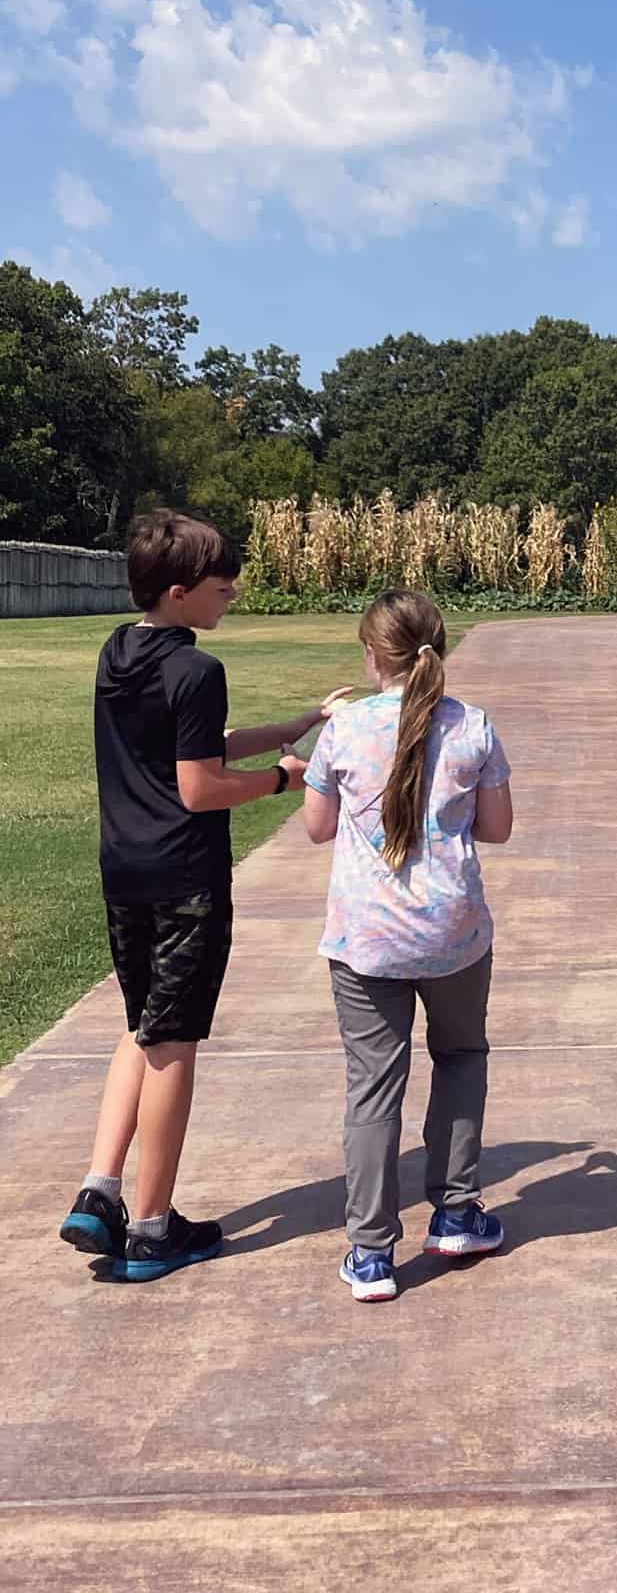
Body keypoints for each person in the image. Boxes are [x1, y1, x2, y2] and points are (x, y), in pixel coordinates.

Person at [59, 509, 351, 1283]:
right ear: (183, 593)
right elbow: (200, 785)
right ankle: (154, 1228)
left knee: (141, 1026)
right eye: (223, 588)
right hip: (184, 878)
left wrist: (295, 725)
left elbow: (191, 744)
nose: (233, 596)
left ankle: (101, 1190)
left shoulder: (118, 652)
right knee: (175, 1045)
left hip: (123, 869)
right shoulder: (196, 671)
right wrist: (281, 782)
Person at [302, 588, 514, 1303]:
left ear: (372, 655)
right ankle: (456, 1211)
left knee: (372, 1088)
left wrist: (322, 739)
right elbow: (496, 829)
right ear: (438, 649)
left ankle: (370, 1253)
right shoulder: (473, 727)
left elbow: (316, 827)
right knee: (459, 1057)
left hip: (367, 939)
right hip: (452, 931)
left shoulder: (347, 729)